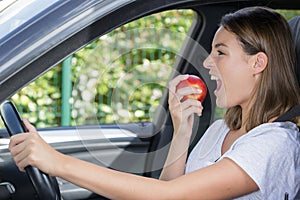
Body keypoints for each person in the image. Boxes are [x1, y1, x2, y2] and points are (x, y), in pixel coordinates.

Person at [9, 6, 300, 199]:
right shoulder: (222, 130)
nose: (208, 62)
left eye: (220, 53)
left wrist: (57, 162)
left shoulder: (274, 143)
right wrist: (182, 130)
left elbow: (168, 196)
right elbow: (168, 189)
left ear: (257, 63)